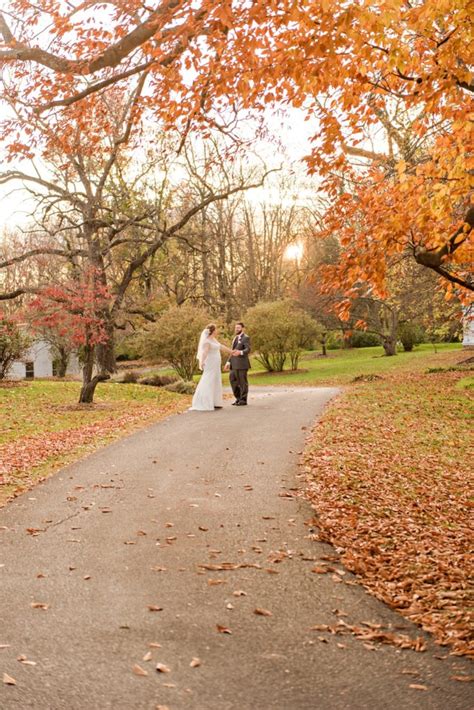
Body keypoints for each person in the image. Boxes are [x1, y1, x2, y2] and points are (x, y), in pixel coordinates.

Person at [190, 324, 233, 411]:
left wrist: (231, 352)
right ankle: (204, 402)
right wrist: (201, 362)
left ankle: (216, 402)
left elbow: (221, 347)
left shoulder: (213, 339)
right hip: (210, 363)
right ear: (213, 331)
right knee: (208, 379)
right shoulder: (206, 341)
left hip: (216, 363)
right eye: (216, 329)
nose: (217, 331)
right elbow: (204, 353)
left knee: (216, 380)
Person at [224, 321, 251, 406]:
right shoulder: (235, 338)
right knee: (233, 381)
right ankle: (238, 398)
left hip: (242, 364)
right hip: (233, 364)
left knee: (243, 383)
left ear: (242, 328)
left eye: (238, 328)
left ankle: (243, 400)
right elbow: (232, 351)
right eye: (236, 328)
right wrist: (228, 362)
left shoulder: (246, 337)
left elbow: (248, 349)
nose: (236, 329)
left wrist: (240, 352)